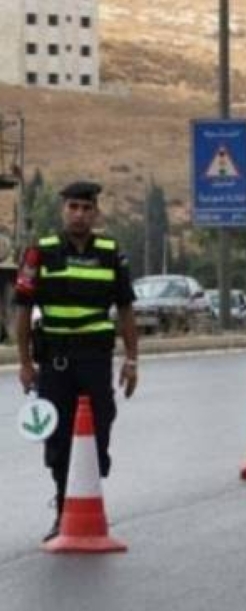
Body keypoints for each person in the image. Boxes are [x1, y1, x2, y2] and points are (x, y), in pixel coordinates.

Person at [13, 181, 139, 541]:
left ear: (96, 212)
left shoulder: (111, 253)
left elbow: (126, 310)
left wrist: (132, 360)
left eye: (86, 208)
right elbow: (23, 312)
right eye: (73, 207)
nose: (79, 215)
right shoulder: (40, 253)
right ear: (63, 210)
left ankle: (88, 498)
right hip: (56, 362)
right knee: (58, 437)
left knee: (100, 429)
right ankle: (63, 509)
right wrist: (25, 363)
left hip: (95, 360)